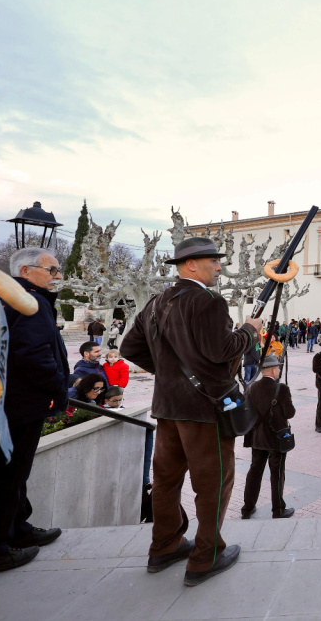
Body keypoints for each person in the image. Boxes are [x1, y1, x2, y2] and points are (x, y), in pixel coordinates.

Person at [120, 236, 261, 587]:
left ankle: (164, 545)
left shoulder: (156, 302)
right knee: (213, 483)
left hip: (168, 408)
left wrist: (170, 377)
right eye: (213, 261)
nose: (219, 267)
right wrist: (249, 331)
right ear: (192, 265)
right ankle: (205, 557)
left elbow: (130, 348)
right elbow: (222, 350)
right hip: (204, 411)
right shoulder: (208, 301)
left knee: (166, 481)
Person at [0, 247, 69, 580]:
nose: (57, 276)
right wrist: (58, 388)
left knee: (10, 472)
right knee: (9, 476)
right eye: (51, 270)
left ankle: (18, 528)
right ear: (25, 271)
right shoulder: (28, 301)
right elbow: (34, 354)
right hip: (21, 402)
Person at [242, 354, 296, 519]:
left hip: (257, 438)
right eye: (278, 368)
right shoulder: (281, 389)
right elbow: (290, 413)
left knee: (254, 471)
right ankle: (278, 509)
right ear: (273, 370)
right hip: (276, 439)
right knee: (277, 473)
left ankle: (247, 508)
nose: (279, 370)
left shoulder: (251, 388)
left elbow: (248, 414)